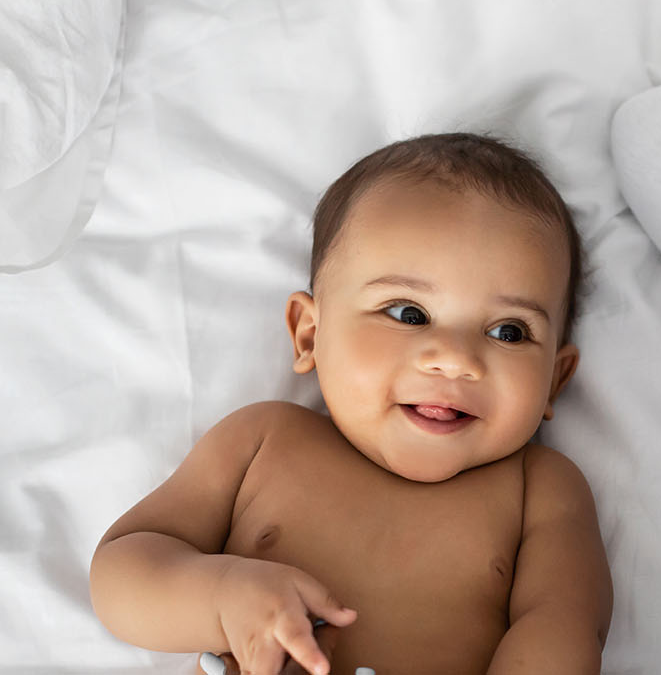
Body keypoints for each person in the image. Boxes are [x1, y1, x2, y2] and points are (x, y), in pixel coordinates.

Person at [89, 134, 612, 675]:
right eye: (408, 313)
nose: (456, 360)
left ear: (554, 380)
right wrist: (223, 597)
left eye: (509, 331)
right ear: (310, 335)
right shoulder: (264, 439)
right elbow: (122, 571)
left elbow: (564, 628)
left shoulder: (540, 490)